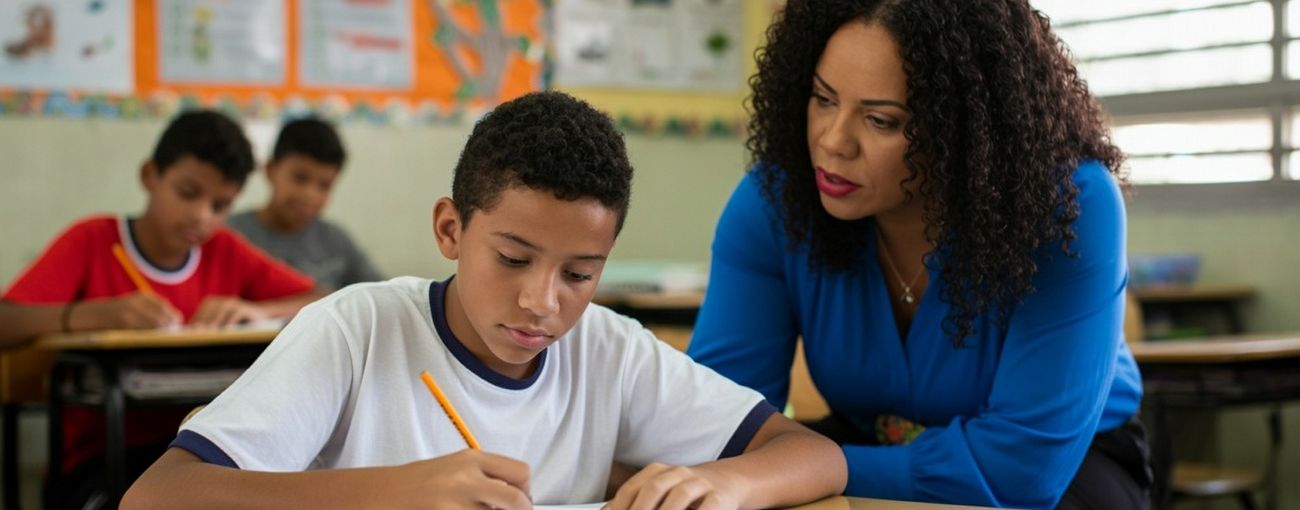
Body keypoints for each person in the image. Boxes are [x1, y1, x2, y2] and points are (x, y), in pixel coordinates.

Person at [122, 91, 847, 509]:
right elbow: (157, 496)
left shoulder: (609, 349)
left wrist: (720, 486)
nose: (541, 302)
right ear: (450, 228)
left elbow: (812, 454)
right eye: (512, 258)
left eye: (579, 273)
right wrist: (393, 493)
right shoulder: (359, 328)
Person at [686, 1, 1150, 509]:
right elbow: (719, 422)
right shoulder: (774, 202)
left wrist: (803, 468)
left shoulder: (1068, 207)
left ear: (969, 129)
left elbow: (1022, 474)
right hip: (864, 447)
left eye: (882, 120)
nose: (833, 142)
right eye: (822, 98)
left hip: (1069, 464)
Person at [0, 109, 321, 506]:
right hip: (100, 461)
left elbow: (325, 298)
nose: (201, 215)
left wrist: (259, 310)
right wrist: (90, 315)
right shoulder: (92, 240)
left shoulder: (224, 251)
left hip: (202, 451)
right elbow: (5, 320)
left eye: (220, 206)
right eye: (188, 193)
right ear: (150, 175)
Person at [227, 117, 383, 292]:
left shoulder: (337, 241)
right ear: (270, 170)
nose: (310, 195)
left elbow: (380, 295)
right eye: (300, 178)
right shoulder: (230, 234)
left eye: (324, 185)